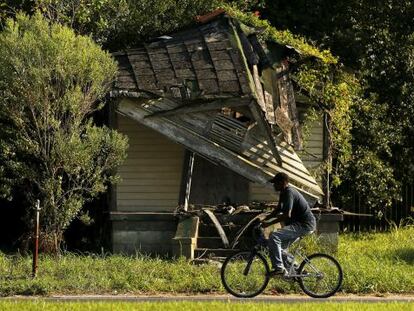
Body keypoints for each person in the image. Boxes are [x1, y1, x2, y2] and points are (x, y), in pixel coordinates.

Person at [264, 172, 316, 276]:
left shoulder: (289, 192)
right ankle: (297, 270)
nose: (274, 185)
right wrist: (266, 219)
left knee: (274, 237)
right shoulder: (283, 193)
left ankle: (279, 268)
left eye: (276, 183)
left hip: (304, 225)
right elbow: (278, 209)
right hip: (300, 225)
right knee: (279, 249)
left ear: (283, 183)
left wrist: (269, 223)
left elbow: (287, 215)